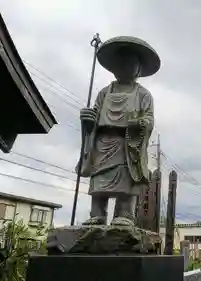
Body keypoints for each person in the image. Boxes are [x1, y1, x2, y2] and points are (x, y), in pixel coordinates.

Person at [76, 36, 160, 226]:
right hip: (103, 142)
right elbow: (95, 114)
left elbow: (149, 118)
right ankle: (97, 213)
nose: (124, 68)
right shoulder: (105, 92)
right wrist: (88, 118)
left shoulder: (143, 94)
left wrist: (139, 123)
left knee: (127, 177)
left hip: (127, 143)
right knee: (98, 179)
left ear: (138, 69)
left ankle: (125, 214)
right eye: (120, 63)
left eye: (130, 64)